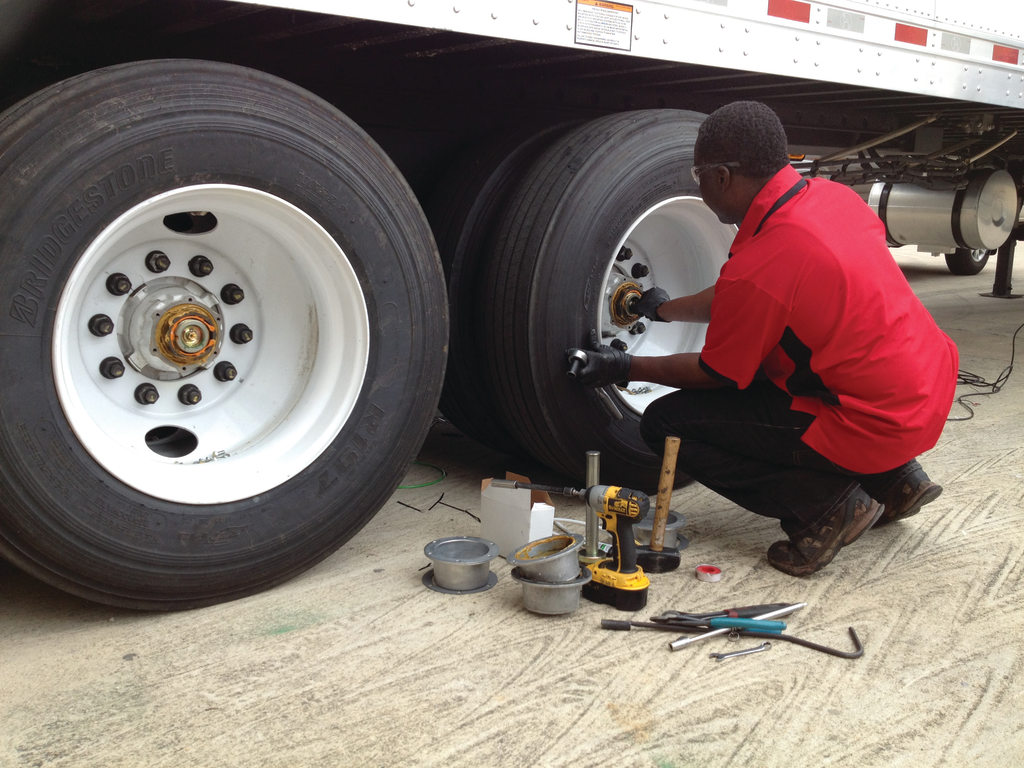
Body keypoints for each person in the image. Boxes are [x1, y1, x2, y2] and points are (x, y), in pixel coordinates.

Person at [566, 101, 958, 577]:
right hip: (921, 394)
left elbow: (718, 374)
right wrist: (663, 309)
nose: (699, 185)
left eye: (699, 175)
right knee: (806, 370)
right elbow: (745, 293)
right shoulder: (831, 200)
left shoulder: (766, 260)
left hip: (868, 421)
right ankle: (899, 480)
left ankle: (824, 510)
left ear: (723, 176)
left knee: (667, 422)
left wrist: (624, 368)